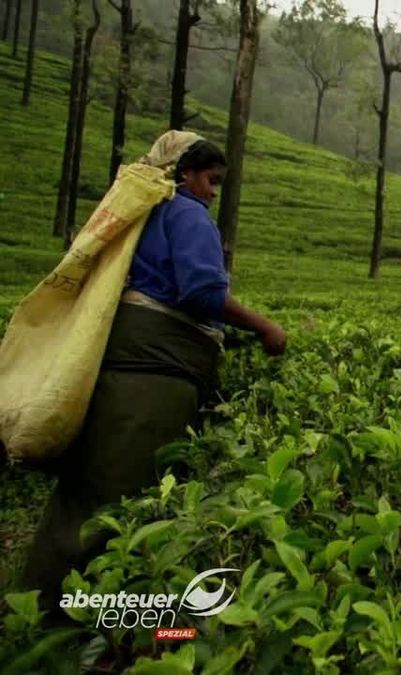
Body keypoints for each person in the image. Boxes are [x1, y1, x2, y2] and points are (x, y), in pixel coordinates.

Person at [22, 133, 287, 617]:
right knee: (123, 508)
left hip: (119, 368)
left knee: (85, 494)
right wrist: (267, 328)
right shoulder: (186, 214)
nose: (212, 193)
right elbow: (201, 292)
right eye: (210, 181)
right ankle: (82, 627)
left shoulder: (141, 220)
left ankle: (39, 610)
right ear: (185, 174)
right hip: (152, 381)